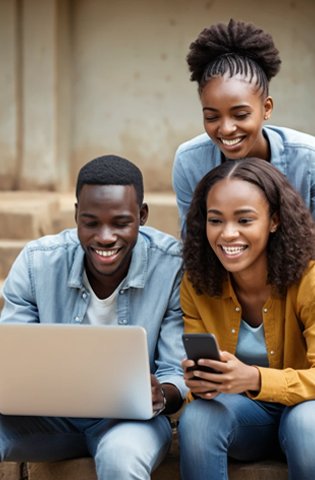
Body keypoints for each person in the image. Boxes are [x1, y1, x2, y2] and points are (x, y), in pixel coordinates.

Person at [0, 154, 188, 479]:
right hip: (49, 420)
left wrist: (162, 393)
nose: (104, 237)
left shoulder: (171, 267)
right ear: (75, 216)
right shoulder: (37, 263)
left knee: (122, 458)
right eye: (90, 222)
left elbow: (177, 373)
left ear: (142, 216)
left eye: (120, 223)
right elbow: (13, 358)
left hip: (130, 424)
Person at [178, 158, 315, 480]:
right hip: (245, 417)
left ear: (275, 221)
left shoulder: (309, 279)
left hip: (306, 410)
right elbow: (202, 383)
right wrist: (201, 384)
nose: (228, 234)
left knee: (306, 425)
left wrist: (254, 378)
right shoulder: (197, 282)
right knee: (198, 418)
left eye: (244, 219)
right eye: (215, 220)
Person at [172, 18, 315, 235]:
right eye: (212, 117)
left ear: (266, 108)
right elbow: (194, 244)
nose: (227, 128)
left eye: (240, 115)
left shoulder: (308, 161)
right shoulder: (191, 162)